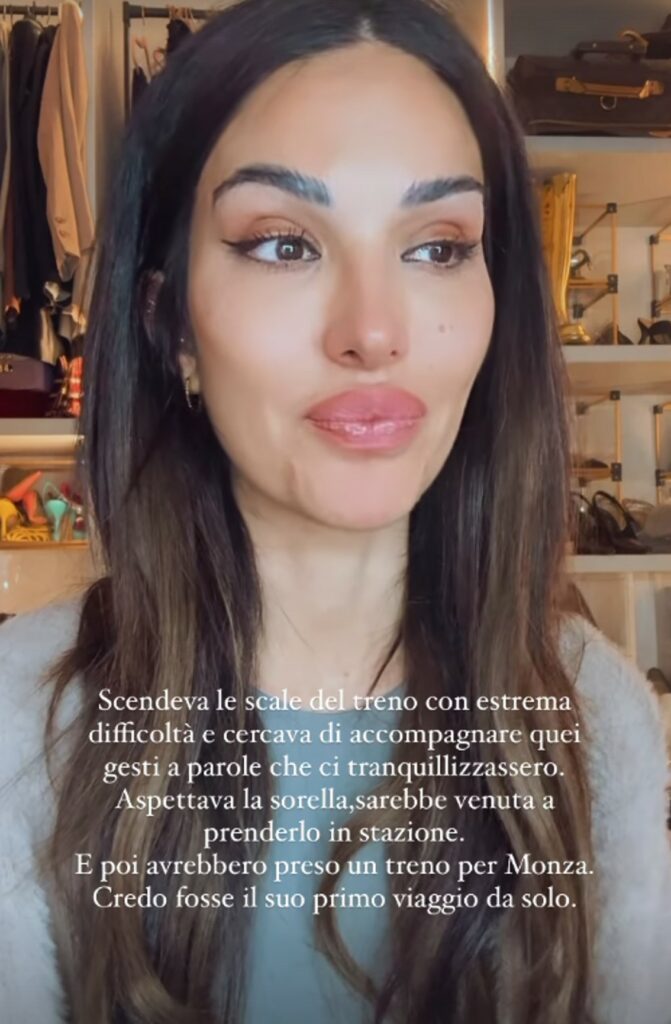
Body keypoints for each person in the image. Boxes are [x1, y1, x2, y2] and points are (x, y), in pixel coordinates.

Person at [0, 1, 670, 1022]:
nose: (372, 331)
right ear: (166, 320)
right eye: (282, 243)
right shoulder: (24, 724)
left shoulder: (594, 716)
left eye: (436, 246)